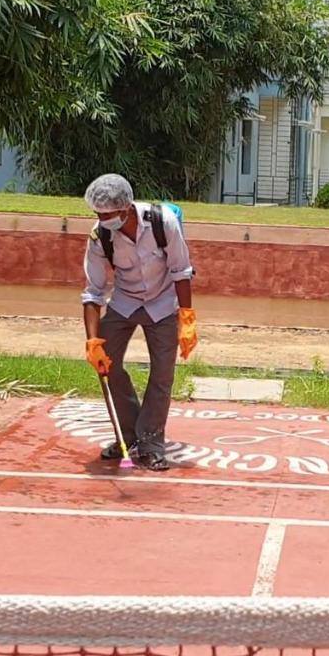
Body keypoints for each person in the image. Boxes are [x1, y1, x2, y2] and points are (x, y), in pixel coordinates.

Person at [81, 174, 198, 471]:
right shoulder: (100, 236)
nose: (101, 218)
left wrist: (187, 318)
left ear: (125, 208)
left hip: (163, 304)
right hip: (125, 302)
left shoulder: (163, 222)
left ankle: (151, 442)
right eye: (97, 213)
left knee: (162, 374)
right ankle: (129, 434)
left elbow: (181, 271)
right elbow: (93, 292)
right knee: (107, 364)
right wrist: (93, 342)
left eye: (106, 214)